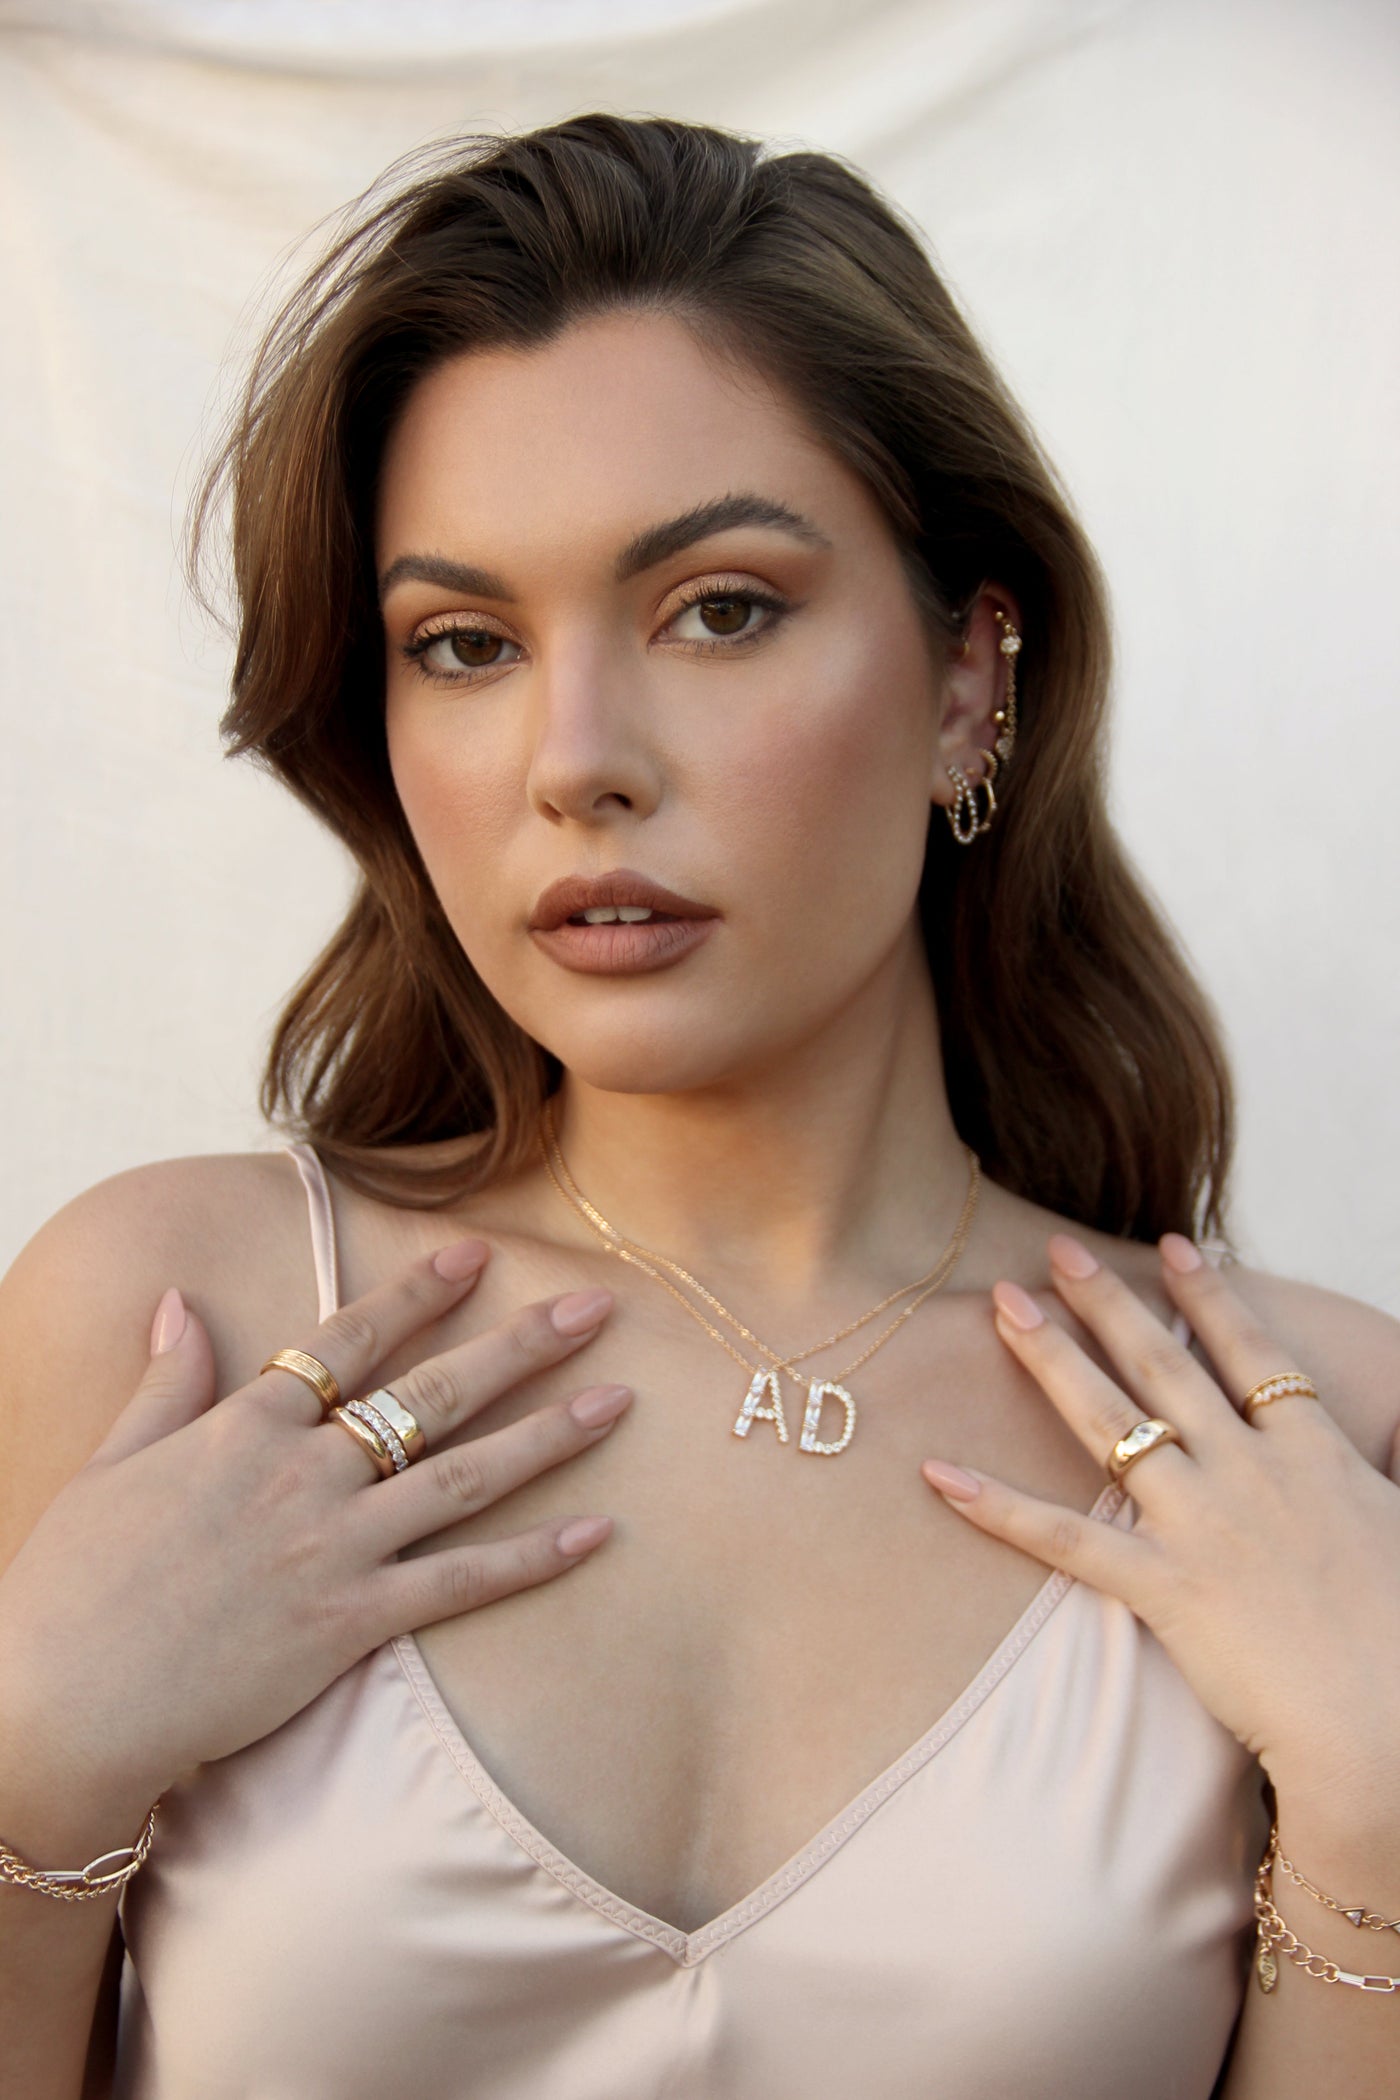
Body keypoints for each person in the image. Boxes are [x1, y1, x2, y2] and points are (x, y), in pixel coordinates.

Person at [1, 111, 1396, 2100]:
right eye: (463, 644)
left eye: (718, 607)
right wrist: (26, 1774)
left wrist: (1378, 1830)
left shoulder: (1316, 1436)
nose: (574, 761)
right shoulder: (176, 1329)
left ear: (964, 685)